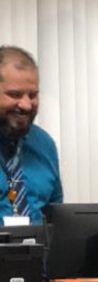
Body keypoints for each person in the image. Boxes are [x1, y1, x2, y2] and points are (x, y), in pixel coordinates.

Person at [0, 46, 62, 225]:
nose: (27, 105)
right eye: (15, 95)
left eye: (33, 95)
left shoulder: (44, 144)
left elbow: (56, 217)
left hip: (38, 243)